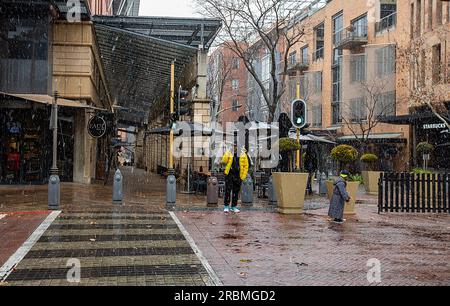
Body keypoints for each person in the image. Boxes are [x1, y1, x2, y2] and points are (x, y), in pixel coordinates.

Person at [221, 143, 249, 213]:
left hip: (238, 175)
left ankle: (234, 206)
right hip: (229, 174)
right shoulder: (229, 152)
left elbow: (246, 166)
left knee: (236, 191)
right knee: (228, 190)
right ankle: (226, 206)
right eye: (233, 146)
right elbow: (224, 160)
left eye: (236, 146)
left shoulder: (243, 154)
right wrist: (228, 151)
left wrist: (243, 176)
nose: (235, 147)